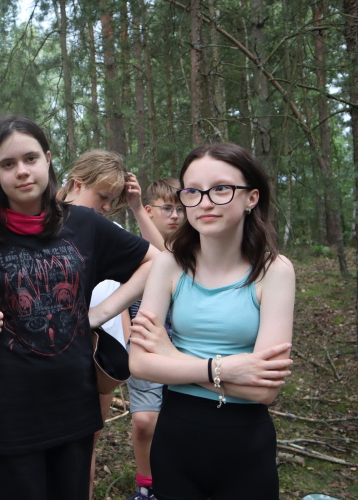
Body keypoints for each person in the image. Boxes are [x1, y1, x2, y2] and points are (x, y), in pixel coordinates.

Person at [0, 115, 158, 500]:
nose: (22, 171)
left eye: (30, 158)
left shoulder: (86, 225)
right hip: (5, 418)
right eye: (8, 164)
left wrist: (100, 314)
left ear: (47, 159)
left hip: (73, 411)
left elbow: (155, 262)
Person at [129, 142, 295, 499]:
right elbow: (139, 363)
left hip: (246, 449)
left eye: (220, 189)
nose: (204, 202)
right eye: (192, 191)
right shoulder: (169, 265)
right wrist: (225, 369)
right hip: (174, 443)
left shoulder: (274, 271)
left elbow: (264, 390)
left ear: (251, 197)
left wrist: (170, 357)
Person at [55, 149, 145, 496]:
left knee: (88, 441)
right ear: (77, 184)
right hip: (56, 350)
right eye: (103, 196)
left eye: (112, 200)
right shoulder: (43, 223)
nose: (107, 206)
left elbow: (142, 272)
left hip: (99, 352)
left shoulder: (111, 231)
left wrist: (108, 320)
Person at [122, 177, 186, 500]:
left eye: (180, 209)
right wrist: (126, 335)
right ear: (150, 211)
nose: (175, 215)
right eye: (167, 209)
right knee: (145, 421)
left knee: (177, 422)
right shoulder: (133, 248)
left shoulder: (192, 249)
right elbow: (120, 292)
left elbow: (167, 256)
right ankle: (146, 486)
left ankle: (175, 480)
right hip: (144, 346)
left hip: (183, 350)